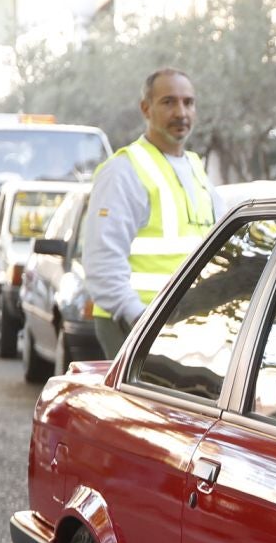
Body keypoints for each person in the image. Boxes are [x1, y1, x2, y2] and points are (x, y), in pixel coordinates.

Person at [84, 67, 226, 357]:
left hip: (185, 326)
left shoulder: (196, 169)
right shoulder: (124, 171)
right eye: (168, 102)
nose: (181, 112)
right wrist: (137, 316)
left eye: (188, 102)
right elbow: (102, 258)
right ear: (145, 109)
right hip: (135, 324)